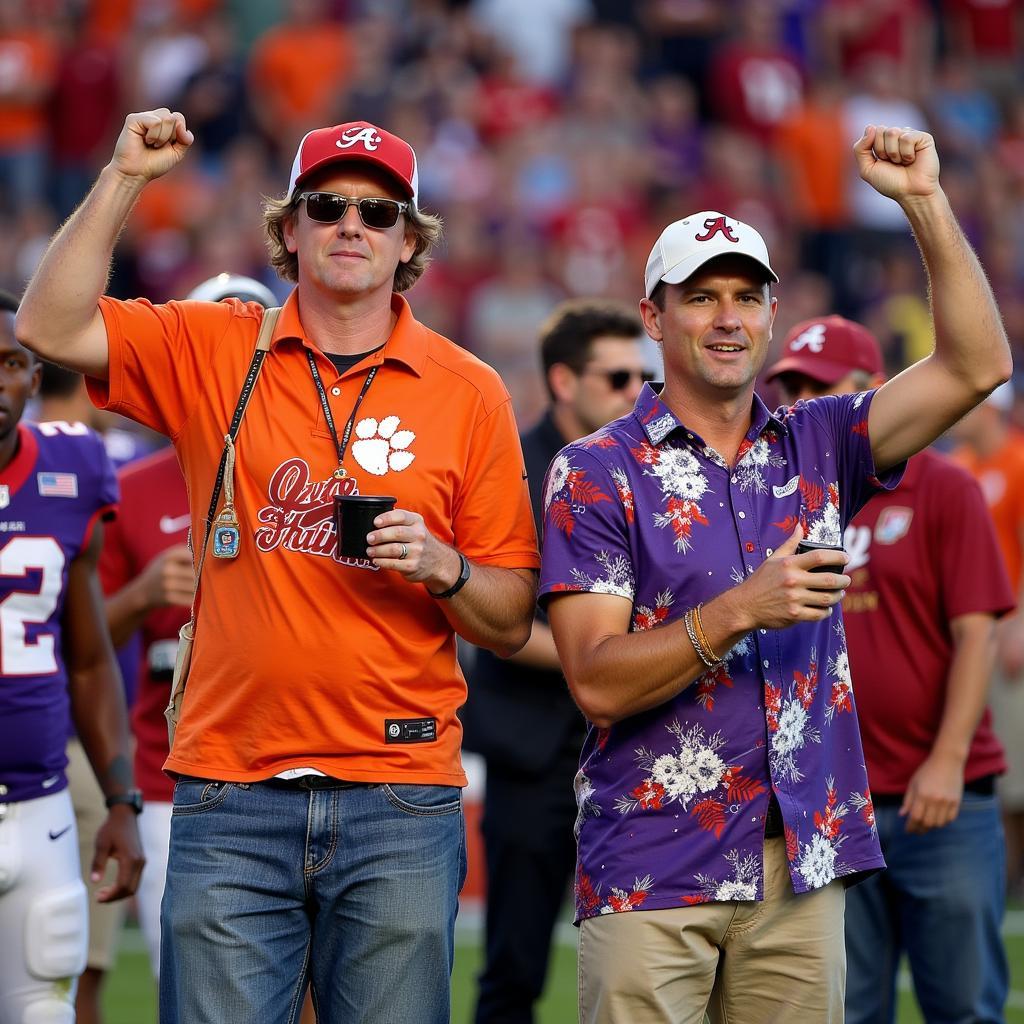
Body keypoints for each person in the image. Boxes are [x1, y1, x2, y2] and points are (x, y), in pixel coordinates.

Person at [15, 109, 539, 1024]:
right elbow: (48, 325)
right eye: (327, 205)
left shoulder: (471, 390)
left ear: (410, 241)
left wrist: (444, 565)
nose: (351, 226)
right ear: (287, 230)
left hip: (399, 798)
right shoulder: (214, 343)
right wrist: (125, 176)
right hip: (231, 789)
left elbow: (509, 615)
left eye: (379, 215)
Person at [537, 124, 1011, 1024]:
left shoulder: (819, 440)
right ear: (652, 317)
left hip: (801, 860)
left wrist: (924, 202)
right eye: (701, 297)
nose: (728, 318)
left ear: (771, 313)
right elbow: (596, 684)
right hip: (652, 863)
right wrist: (740, 610)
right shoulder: (597, 468)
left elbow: (977, 365)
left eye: (748, 298)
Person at [766, 316, 1012, 1024]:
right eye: (793, 386)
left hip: (941, 801)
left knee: (964, 1007)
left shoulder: (944, 489)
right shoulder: (781, 494)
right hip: (834, 802)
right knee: (848, 1009)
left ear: (874, 391)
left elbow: (977, 636)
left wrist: (948, 760)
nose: (803, 400)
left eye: (822, 386)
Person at [462, 299, 650, 1024]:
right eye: (619, 377)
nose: (638, 392)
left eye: (644, 376)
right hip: (534, 751)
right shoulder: (508, 466)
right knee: (514, 966)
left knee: (646, 961)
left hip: (635, 745)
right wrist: (601, 658)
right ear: (565, 381)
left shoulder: (652, 467)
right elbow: (490, 618)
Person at [98, 272, 276, 983]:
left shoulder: (317, 473)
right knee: (203, 986)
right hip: (171, 773)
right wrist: (143, 596)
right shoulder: (130, 487)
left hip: (300, 760)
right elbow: (83, 643)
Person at [0, 289, 144, 1024]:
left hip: (39, 801)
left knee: (42, 1009)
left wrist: (120, 800)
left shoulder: (72, 471)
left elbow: (88, 662)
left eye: (12, 363)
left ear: (34, 377)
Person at [951, 383, 1024, 904]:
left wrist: (1020, 624)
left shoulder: (1017, 461)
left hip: (1009, 629)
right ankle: (1005, 880)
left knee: (1015, 771)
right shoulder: (962, 464)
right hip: (979, 631)